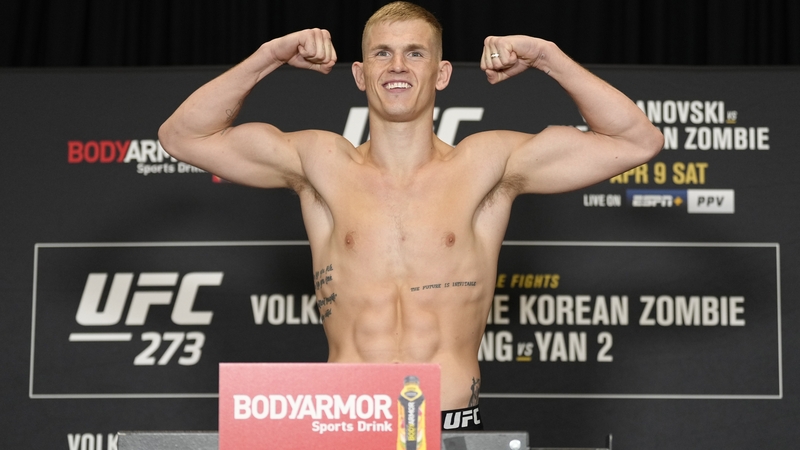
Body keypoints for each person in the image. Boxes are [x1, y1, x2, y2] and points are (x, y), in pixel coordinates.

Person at [159, 1, 663, 430]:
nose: (397, 66)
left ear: (441, 73)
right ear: (359, 74)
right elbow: (183, 137)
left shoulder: (486, 165)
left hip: (449, 424)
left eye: (414, 53)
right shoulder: (321, 164)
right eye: (382, 53)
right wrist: (268, 57)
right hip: (346, 420)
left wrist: (548, 57)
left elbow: (637, 141)